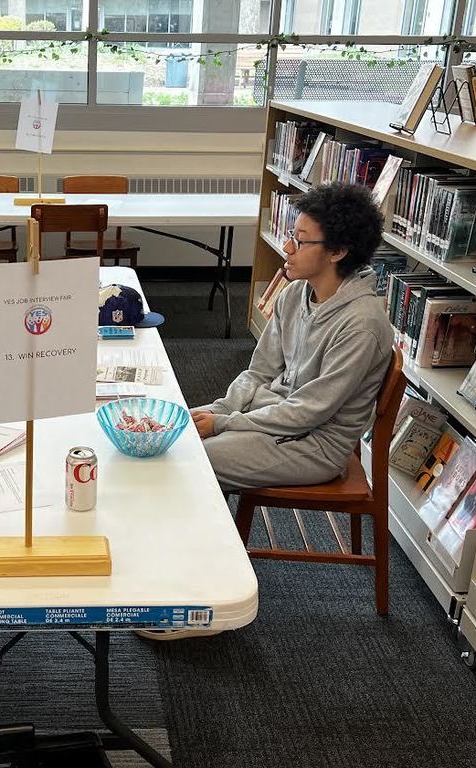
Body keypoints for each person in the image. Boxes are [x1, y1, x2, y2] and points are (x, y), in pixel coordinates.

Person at [138, 182, 392, 641]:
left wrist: (224, 424)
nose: (287, 248)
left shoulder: (362, 324)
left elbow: (310, 413)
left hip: (317, 446)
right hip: (273, 421)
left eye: (300, 239)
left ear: (336, 251)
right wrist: (215, 410)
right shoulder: (297, 294)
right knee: (170, 431)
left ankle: (201, 606)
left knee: (189, 464)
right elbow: (258, 373)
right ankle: (182, 576)